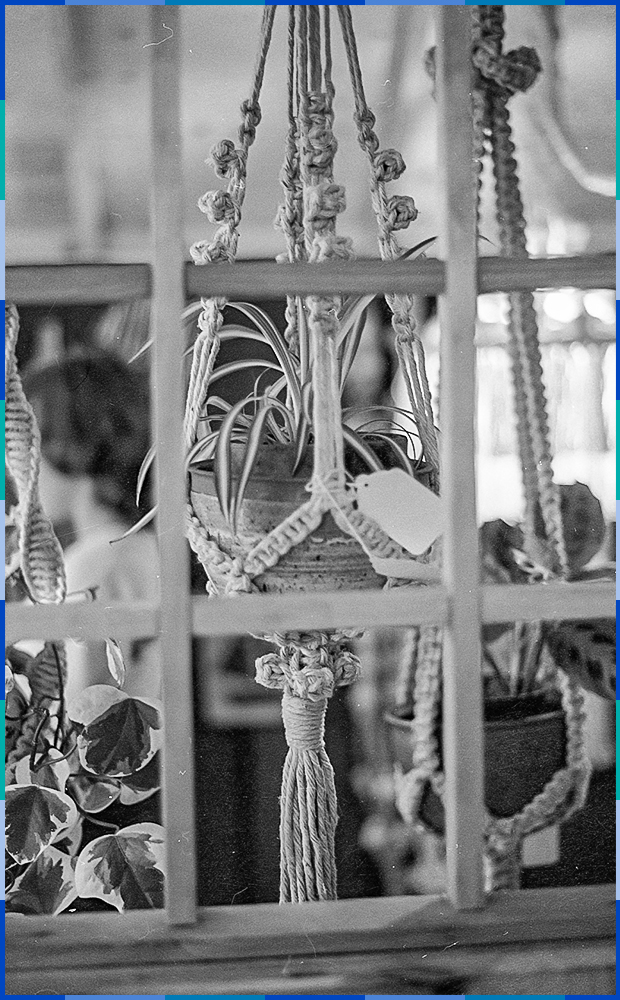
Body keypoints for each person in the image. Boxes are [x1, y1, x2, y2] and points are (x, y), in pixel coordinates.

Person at [23, 350, 161, 703]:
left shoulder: (97, 562)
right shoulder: (129, 548)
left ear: (70, 445)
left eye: (28, 446)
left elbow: (62, 722)